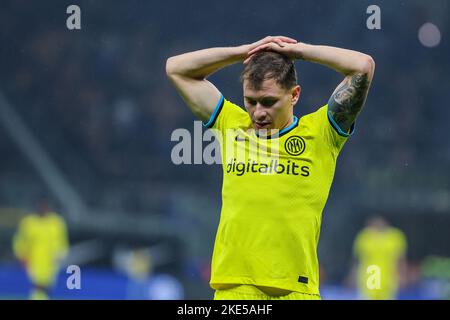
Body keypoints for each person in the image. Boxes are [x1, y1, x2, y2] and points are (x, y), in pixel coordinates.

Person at [166, 36, 375, 300]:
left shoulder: (321, 133)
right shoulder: (231, 124)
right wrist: (244, 52)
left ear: (294, 95)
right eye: (250, 101)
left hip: (296, 290)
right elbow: (176, 68)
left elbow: (362, 66)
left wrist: (300, 51)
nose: (258, 113)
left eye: (268, 101)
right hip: (235, 290)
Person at [13, 199, 69, 300]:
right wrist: (21, 256)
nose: (43, 209)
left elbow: (62, 241)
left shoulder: (57, 222)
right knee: (38, 286)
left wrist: (62, 253)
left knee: (47, 286)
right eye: (41, 206)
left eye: (45, 206)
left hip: (52, 261)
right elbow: (20, 241)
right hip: (34, 260)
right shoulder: (28, 222)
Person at [352, 216, 407, 300]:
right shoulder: (365, 236)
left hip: (388, 279)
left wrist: (402, 275)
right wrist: (353, 276)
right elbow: (357, 259)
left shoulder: (395, 237)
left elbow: (400, 259)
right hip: (369, 278)